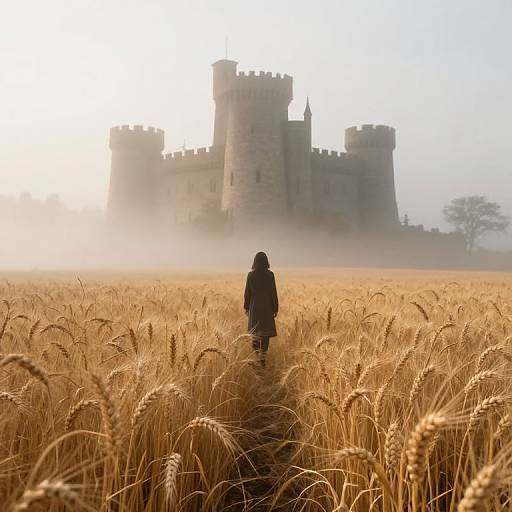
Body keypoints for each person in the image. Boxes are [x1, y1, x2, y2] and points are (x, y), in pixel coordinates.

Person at [244, 251, 278, 367]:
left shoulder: (251, 275)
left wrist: (246, 306)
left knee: (255, 333)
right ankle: (263, 359)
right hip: (267, 306)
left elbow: (247, 293)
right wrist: (275, 307)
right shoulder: (270, 275)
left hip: (254, 306)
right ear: (266, 262)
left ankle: (256, 355)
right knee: (265, 334)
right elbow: (273, 292)